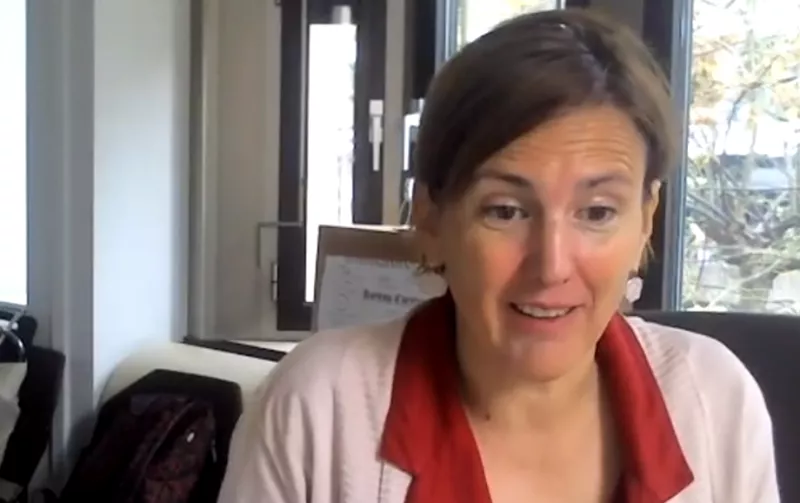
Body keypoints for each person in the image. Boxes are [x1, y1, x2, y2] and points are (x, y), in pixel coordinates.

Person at [217, 9, 779, 503]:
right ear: (432, 219)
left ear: (646, 219)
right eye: (506, 210)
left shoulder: (715, 401)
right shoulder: (323, 407)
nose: (552, 265)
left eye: (598, 212)